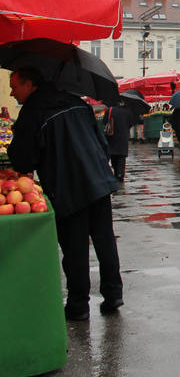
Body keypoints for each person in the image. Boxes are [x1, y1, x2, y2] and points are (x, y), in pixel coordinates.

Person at [7, 67, 123, 321]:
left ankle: (78, 304)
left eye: (15, 86)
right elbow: (101, 141)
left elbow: (23, 159)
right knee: (104, 240)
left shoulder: (33, 112)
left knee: (75, 247)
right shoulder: (77, 103)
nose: (12, 92)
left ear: (30, 84)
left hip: (67, 185)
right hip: (98, 179)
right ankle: (114, 293)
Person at [103, 100, 135, 181]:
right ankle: (120, 174)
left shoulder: (109, 110)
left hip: (111, 135)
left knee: (113, 154)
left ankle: (115, 171)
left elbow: (104, 122)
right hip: (123, 136)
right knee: (121, 156)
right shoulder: (127, 112)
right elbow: (131, 123)